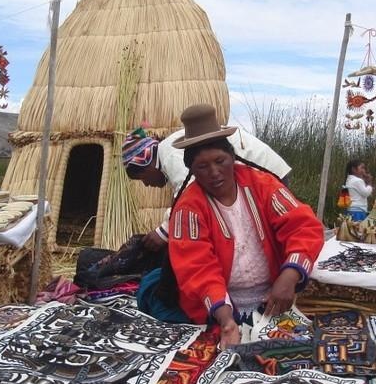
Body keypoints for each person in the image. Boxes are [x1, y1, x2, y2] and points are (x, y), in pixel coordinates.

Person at [163, 104, 324, 350]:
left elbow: (303, 227)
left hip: (274, 296)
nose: (214, 172)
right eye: (203, 167)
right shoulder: (188, 209)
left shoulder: (263, 185)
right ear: (192, 170)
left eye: (220, 161)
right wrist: (226, 319)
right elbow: (196, 269)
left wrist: (289, 276)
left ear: (233, 157)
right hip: (221, 309)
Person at [121, 112, 291, 251]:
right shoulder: (169, 152)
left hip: (268, 175)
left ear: (146, 164)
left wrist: (164, 231)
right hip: (266, 174)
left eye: (142, 178)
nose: (146, 184)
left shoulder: (169, 154)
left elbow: (187, 192)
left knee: (269, 236)